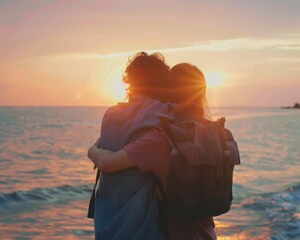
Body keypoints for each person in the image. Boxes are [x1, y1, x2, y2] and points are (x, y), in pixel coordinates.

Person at [88, 62, 217, 239]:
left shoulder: (159, 139)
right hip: (205, 230)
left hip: (177, 233)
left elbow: (107, 163)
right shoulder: (204, 134)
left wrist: (92, 150)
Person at [87, 52, 173, 239]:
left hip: (105, 225)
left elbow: (101, 152)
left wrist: (91, 151)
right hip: (141, 229)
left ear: (130, 81)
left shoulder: (110, 116)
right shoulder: (161, 116)